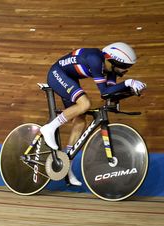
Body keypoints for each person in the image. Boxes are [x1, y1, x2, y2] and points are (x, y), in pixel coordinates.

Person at [39, 42, 147, 186]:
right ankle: (49, 128)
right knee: (85, 104)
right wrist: (128, 82)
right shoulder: (95, 59)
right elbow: (104, 92)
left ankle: (67, 164)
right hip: (57, 73)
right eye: (125, 67)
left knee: (81, 119)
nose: (126, 71)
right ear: (113, 60)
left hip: (70, 78)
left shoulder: (111, 71)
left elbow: (109, 94)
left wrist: (131, 91)